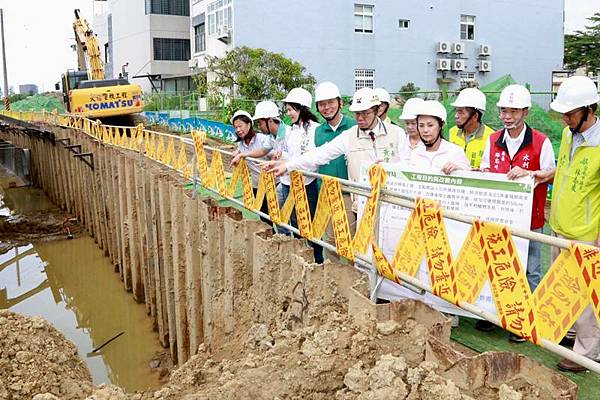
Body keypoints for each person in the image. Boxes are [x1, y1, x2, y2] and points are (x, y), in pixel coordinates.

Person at [479, 84, 555, 341]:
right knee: (499, 263)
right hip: (499, 217)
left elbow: (551, 172)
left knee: (530, 268)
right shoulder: (492, 140)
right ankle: (494, 313)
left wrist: (531, 173)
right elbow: (485, 171)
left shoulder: (541, 142)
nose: (507, 116)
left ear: (526, 113)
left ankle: (525, 321)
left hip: (530, 218)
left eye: (513, 111)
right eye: (503, 111)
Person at [264, 87, 408, 215]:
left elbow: (408, 166)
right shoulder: (349, 136)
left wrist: (389, 169)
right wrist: (286, 165)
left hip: (392, 204)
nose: (360, 118)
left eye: (365, 113)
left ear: (377, 110)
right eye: (357, 113)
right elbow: (320, 154)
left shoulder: (397, 133)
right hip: (361, 203)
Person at [549, 75, 600, 372]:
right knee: (565, 288)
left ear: (589, 110)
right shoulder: (570, 134)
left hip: (586, 232)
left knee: (588, 298)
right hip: (561, 225)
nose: (565, 118)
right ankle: (573, 337)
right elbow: (565, 172)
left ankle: (588, 353)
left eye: (571, 113)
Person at [280, 87, 324, 264]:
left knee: (312, 224)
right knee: (295, 222)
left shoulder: (316, 130)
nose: (289, 113)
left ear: (302, 108)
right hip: (290, 183)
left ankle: (317, 259)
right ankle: (301, 258)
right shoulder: (290, 131)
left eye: (291, 109)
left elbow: (314, 158)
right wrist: (280, 157)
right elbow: (287, 153)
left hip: (309, 183)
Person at [314, 82, 357, 257]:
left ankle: (354, 280)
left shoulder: (353, 126)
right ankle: (333, 279)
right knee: (330, 242)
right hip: (325, 194)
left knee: (351, 241)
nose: (327, 108)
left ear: (340, 103)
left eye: (331, 102)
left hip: (348, 194)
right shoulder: (318, 131)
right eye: (322, 104)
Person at [229, 110, 272, 223]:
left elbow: (272, 154)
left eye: (240, 126)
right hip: (257, 184)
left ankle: (285, 238)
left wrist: (241, 154)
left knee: (278, 216)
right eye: (236, 127)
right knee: (263, 215)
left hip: (272, 183)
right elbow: (241, 152)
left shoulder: (262, 139)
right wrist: (238, 153)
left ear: (249, 124)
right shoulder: (241, 144)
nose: (238, 130)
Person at [408, 100, 470, 172]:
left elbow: (469, 178)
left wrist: (458, 169)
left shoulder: (455, 151)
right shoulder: (415, 153)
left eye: (430, 125)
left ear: (441, 125)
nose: (425, 130)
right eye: (421, 125)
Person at [448, 87, 494, 169]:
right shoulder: (452, 132)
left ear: (475, 116)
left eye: (461, 112)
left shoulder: (491, 137)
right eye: (456, 111)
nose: (456, 116)